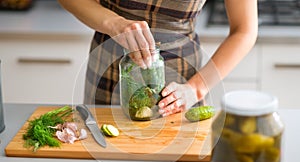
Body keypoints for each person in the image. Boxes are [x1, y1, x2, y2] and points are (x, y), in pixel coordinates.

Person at [58, 0, 258, 117]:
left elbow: (245, 30)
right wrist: (114, 23)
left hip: (180, 83)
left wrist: (196, 88)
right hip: (107, 68)